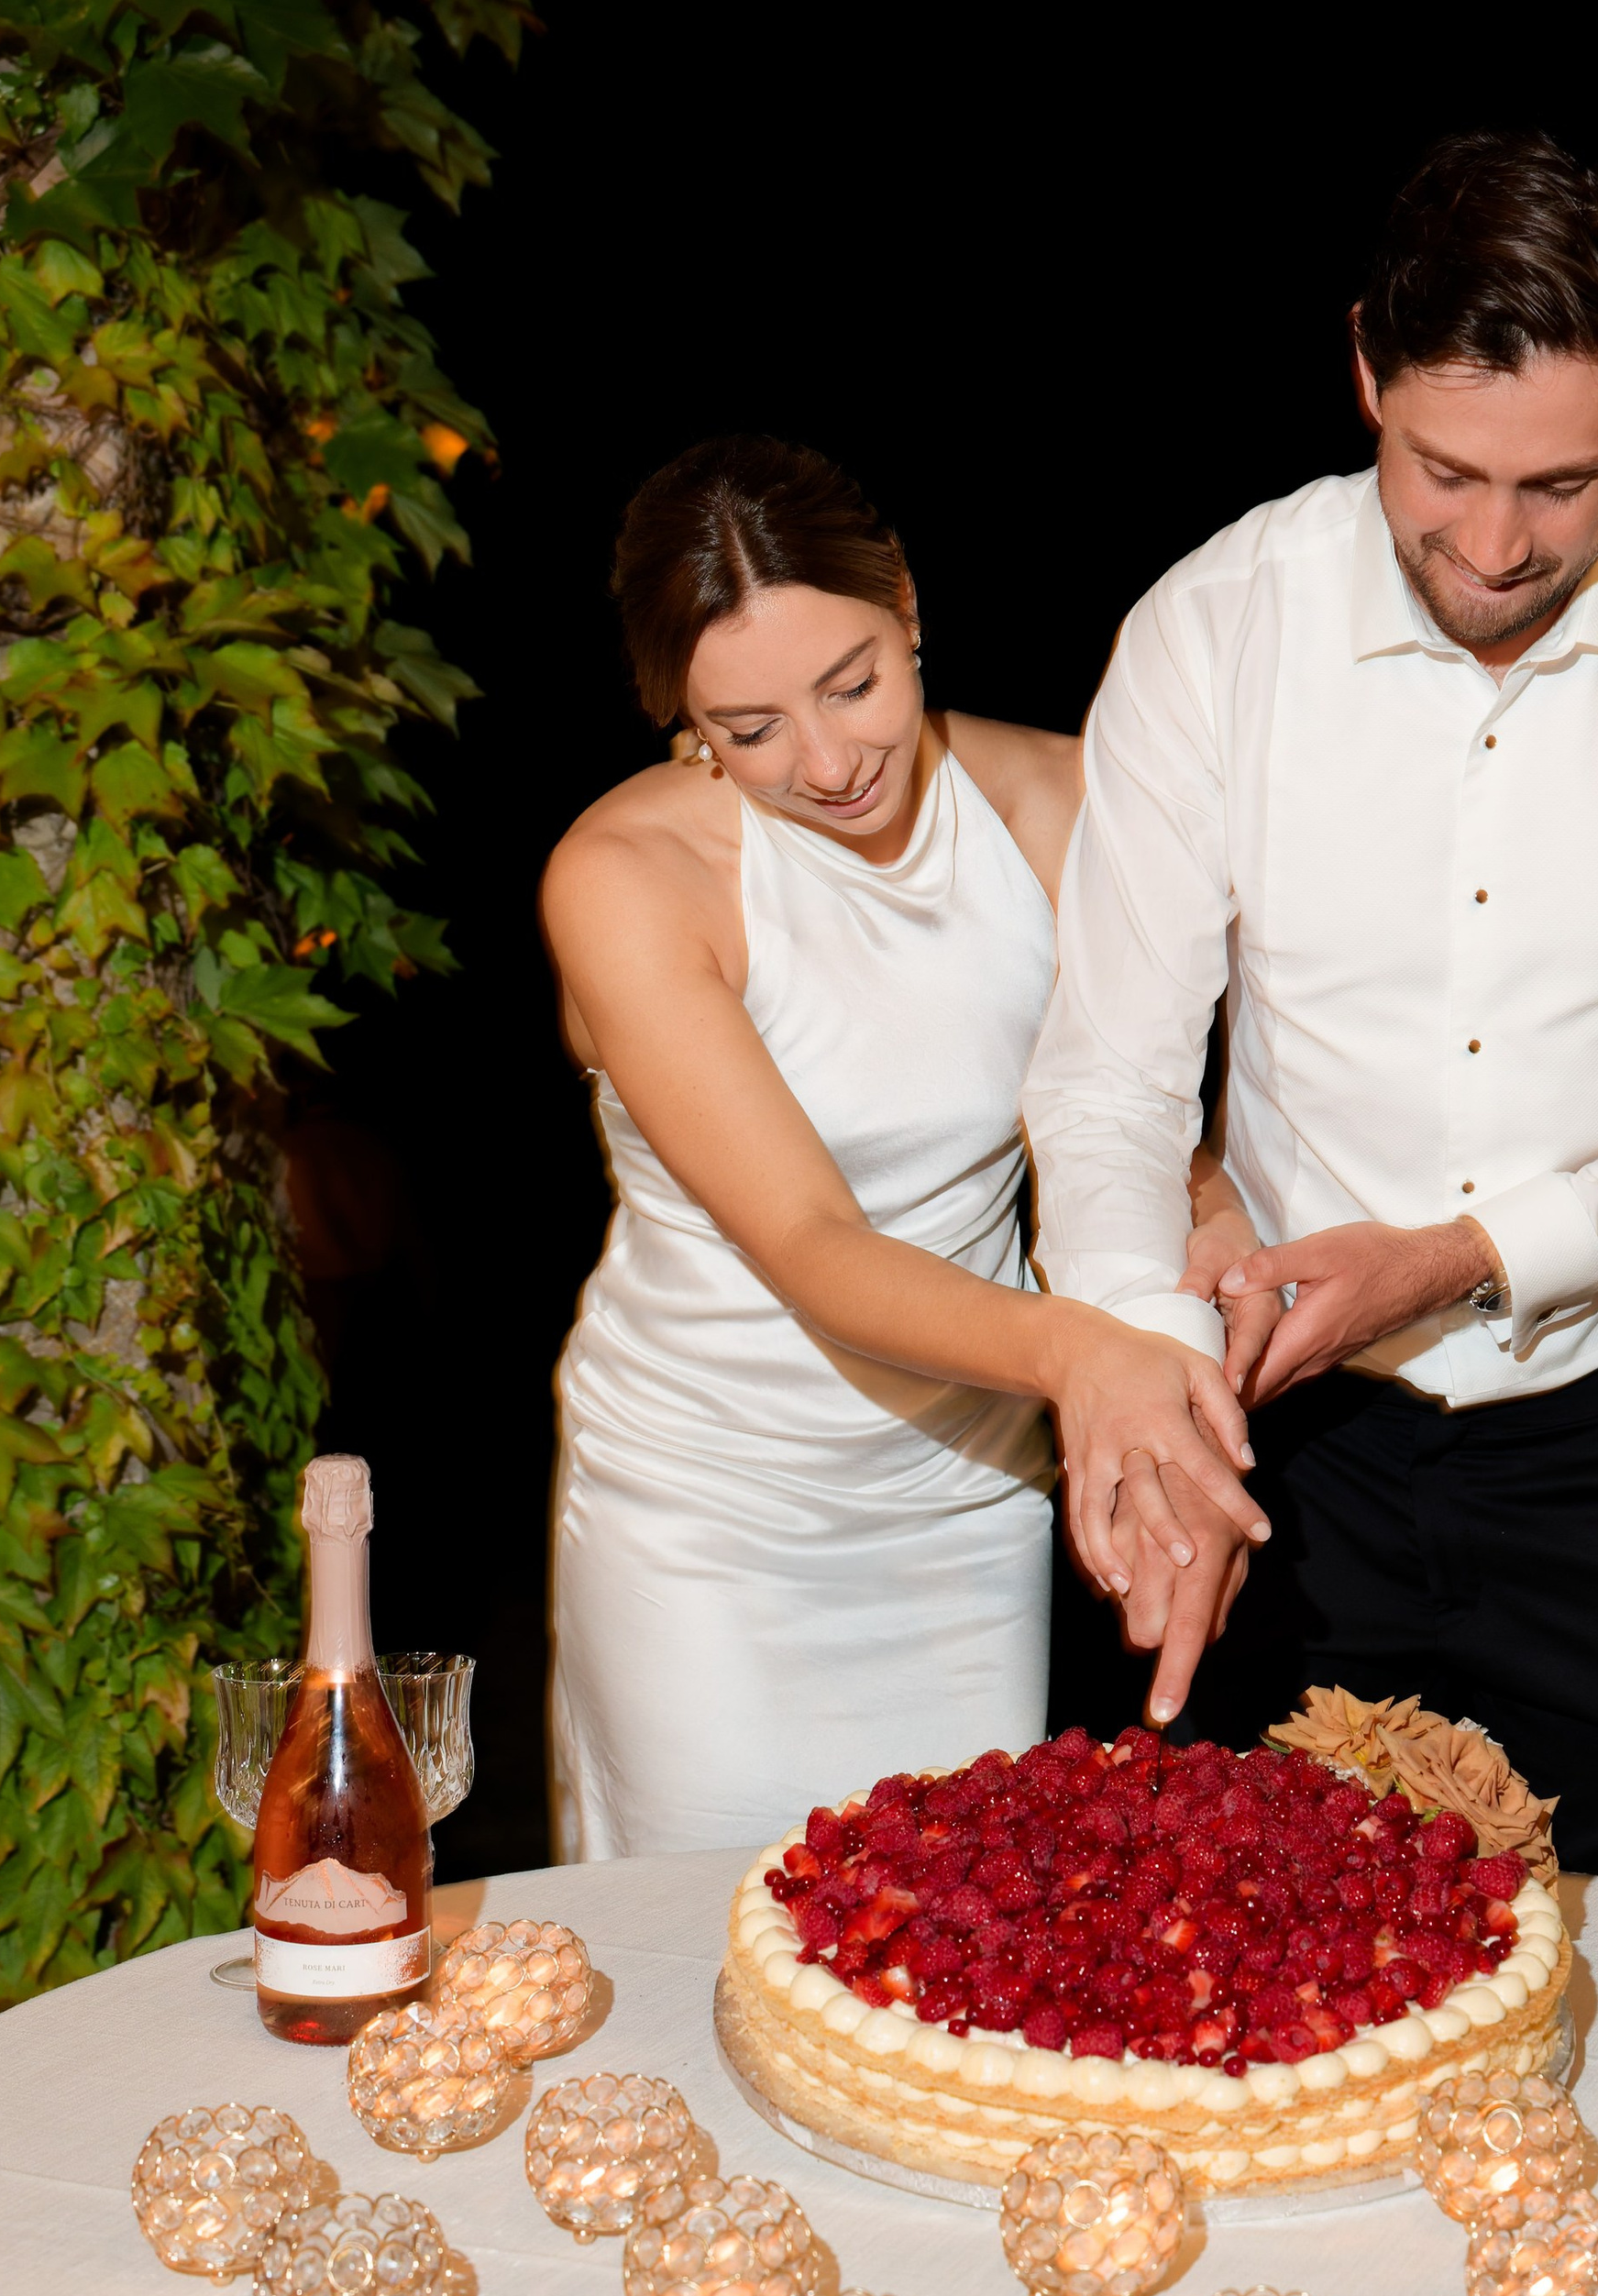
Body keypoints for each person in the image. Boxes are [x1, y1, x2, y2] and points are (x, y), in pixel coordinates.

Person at [1020, 131, 1598, 1892]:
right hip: (1292, 1452)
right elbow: (1111, 1079)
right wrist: (1147, 1386)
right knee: (1265, 1994)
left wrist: (1460, 1252)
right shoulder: (1213, 628)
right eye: (1444, 469)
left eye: (1562, 486)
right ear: (1364, 367)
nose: (1494, 545)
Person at [542, 436, 1265, 1856]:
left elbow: (1158, 1154)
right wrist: (1085, 1361)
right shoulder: (628, 878)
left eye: (852, 683)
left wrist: (1186, 1400)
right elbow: (815, 1248)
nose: (824, 763)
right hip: (706, 1518)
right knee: (714, 1957)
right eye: (746, 730)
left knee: (949, 1960)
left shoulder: (1063, 811)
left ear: (911, 608)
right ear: (680, 715)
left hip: (962, 1502)